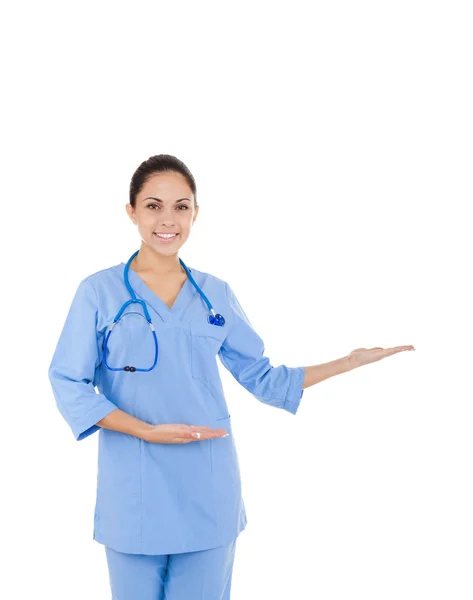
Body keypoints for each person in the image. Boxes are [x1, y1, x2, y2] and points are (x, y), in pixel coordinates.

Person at [48, 154, 415, 599]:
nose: (168, 220)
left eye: (181, 207)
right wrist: (145, 429)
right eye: (153, 206)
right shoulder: (99, 291)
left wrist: (349, 362)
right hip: (134, 490)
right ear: (131, 212)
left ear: (195, 213)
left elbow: (264, 378)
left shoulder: (215, 294)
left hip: (208, 488)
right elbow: (68, 380)